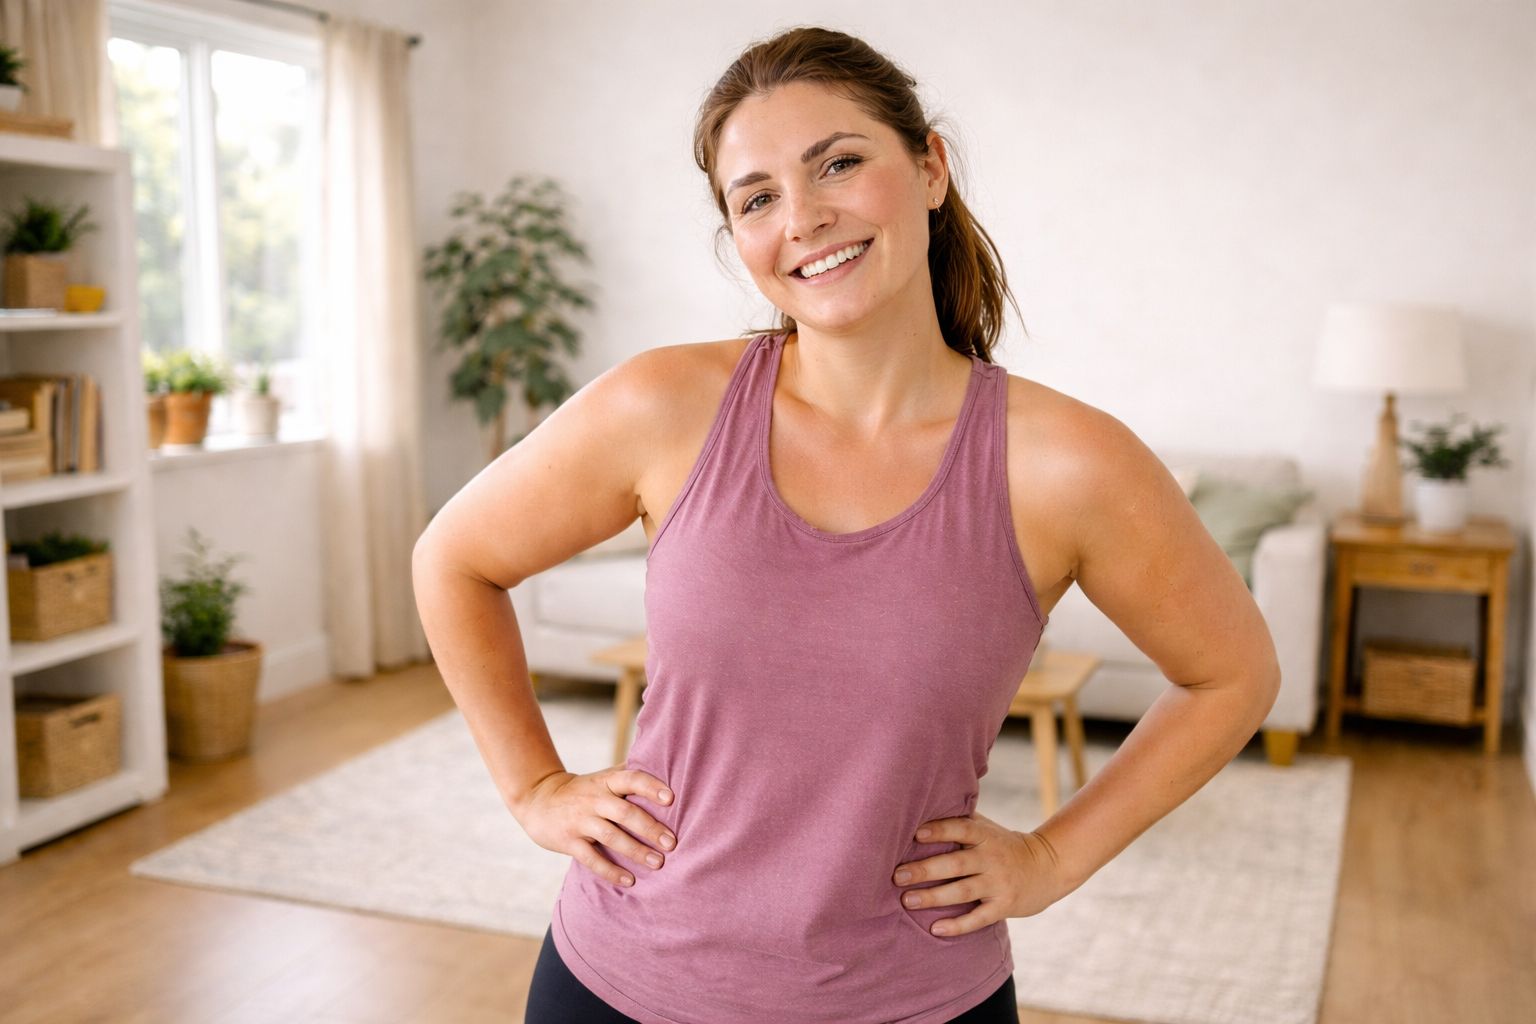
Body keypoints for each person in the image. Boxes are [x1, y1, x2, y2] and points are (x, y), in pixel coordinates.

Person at [411, 24, 1281, 1024]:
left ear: (930, 168)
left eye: (839, 163)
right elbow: (455, 558)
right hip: (621, 983)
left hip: (912, 1002)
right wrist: (534, 788)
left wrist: (1051, 857)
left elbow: (1233, 671)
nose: (806, 219)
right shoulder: (661, 404)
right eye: (758, 197)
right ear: (737, 237)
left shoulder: (1068, 463)